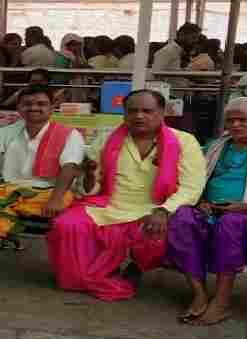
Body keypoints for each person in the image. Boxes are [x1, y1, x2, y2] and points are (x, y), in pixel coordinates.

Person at [48, 90, 205, 301]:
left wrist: (164, 210)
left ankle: (137, 266)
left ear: (162, 113)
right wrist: (88, 177)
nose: (139, 116)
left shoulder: (184, 141)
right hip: (109, 205)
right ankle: (84, 276)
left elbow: (191, 187)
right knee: (66, 224)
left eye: (147, 111)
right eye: (133, 111)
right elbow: (89, 190)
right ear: (124, 114)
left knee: (157, 234)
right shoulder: (107, 139)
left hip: (155, 207)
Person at [165, 97, 247, 325]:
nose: (236, 125)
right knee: (180, 218)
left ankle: (221, 302)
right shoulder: (216, 145)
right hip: (208, 208)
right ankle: (199, 294)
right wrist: (200, 199)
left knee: (229, 224)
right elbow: (192, 175)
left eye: (244, 120)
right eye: (231, 120)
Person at [0, 84, 84, 235]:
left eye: (41, 104)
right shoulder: (6, 132)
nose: (34, 108)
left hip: (47, 193)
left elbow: (70, 167)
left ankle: (4, 219)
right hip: (9, 190)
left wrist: (55, 199)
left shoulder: (69, 134)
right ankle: (9, 225)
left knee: (64, 200)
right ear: (19, 108)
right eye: (27, 104)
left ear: (51, 108)